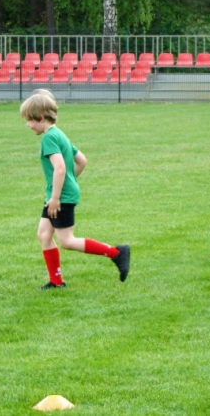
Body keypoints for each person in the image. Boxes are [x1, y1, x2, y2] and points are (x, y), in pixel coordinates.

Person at [20, 88, 130, 288]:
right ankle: (56, 281)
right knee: (44, 235)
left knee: (67, 241)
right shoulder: (60, 134)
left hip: (59, 196)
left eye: (29, 120)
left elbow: (60, 168)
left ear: (41, 117)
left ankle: (116, 253)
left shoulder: (48, 138)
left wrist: (56, 197)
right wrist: (69, 183)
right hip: (60, 193)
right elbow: (82, 161)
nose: (28, 125)